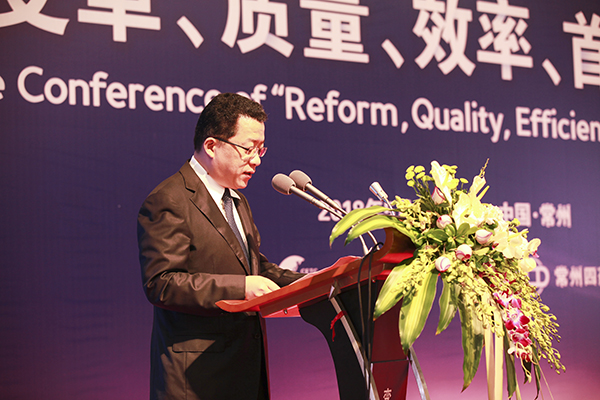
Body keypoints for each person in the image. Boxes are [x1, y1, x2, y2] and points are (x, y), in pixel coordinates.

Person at [137, 93, 304, 400]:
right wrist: (241, 288)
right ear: (212, 146)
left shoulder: (237, 200)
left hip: (245, 371)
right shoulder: (170, 199)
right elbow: (162, 284)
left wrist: (311, 282)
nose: (257, 160)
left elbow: (255, 267)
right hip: (197, 379)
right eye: (248, 149)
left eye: (261, 149)